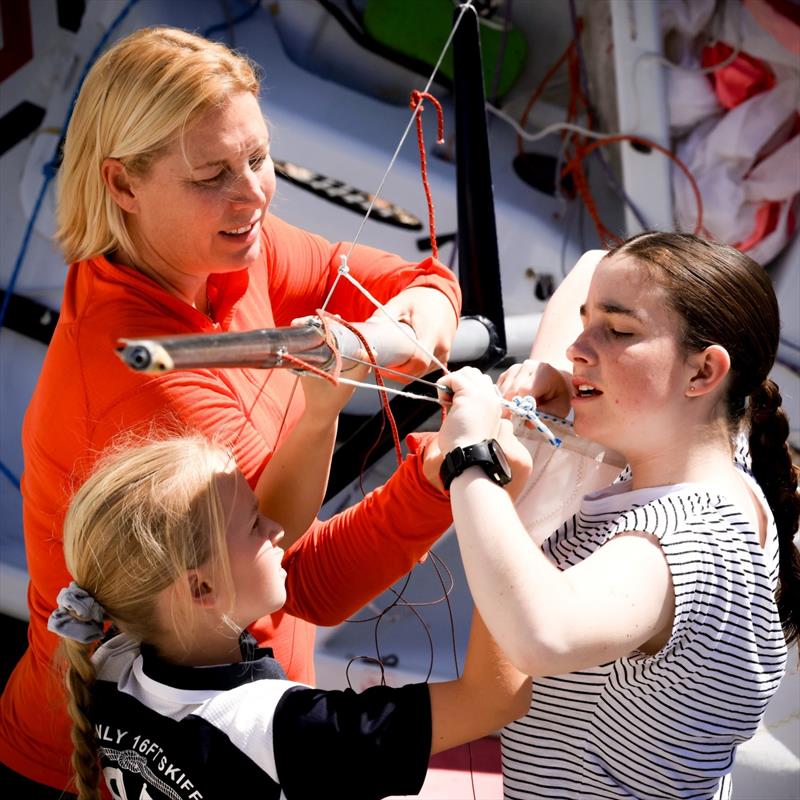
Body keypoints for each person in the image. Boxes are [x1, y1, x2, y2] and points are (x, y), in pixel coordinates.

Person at [0, 25, 466, 796]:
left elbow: (418, 276)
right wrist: (449, 473)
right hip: (113, 762)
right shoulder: (136, 377)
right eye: (213, 173)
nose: (252, 193)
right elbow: (298, 577)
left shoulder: (225, 248)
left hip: (232, 724)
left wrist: (413, 326)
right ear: (122, 185)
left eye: (258, 158)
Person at [437, 232, 800, 799]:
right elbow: (590, 266)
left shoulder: (692, 536)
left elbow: (544, 635)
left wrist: (469, 458)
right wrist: (567, 375)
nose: (581, 345)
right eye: (585, 325)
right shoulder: (722, 467)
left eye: (619, 331)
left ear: (704, 374)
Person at [48, 435, 531, 800]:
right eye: (256, 522)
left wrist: (322, 415)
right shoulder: (280, 734)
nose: (278, 528)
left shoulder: (112, 666)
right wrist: (503, 507)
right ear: (201, 589)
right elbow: (492, 700)